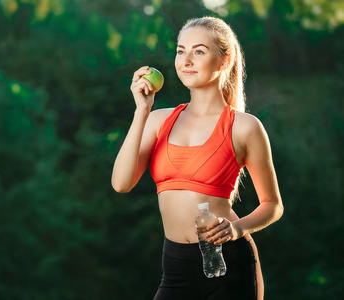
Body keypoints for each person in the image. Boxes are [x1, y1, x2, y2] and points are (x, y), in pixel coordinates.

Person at [111, 16, 283, 300]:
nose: (186, 60)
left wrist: (237, 228)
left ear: (224, 61)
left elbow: (273, 205)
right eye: (181, 51)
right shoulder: (157, 120)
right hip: (175, 267)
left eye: (199, 51)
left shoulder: (244, 126)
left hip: (229, 264)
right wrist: (140, 112)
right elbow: (121, 183)